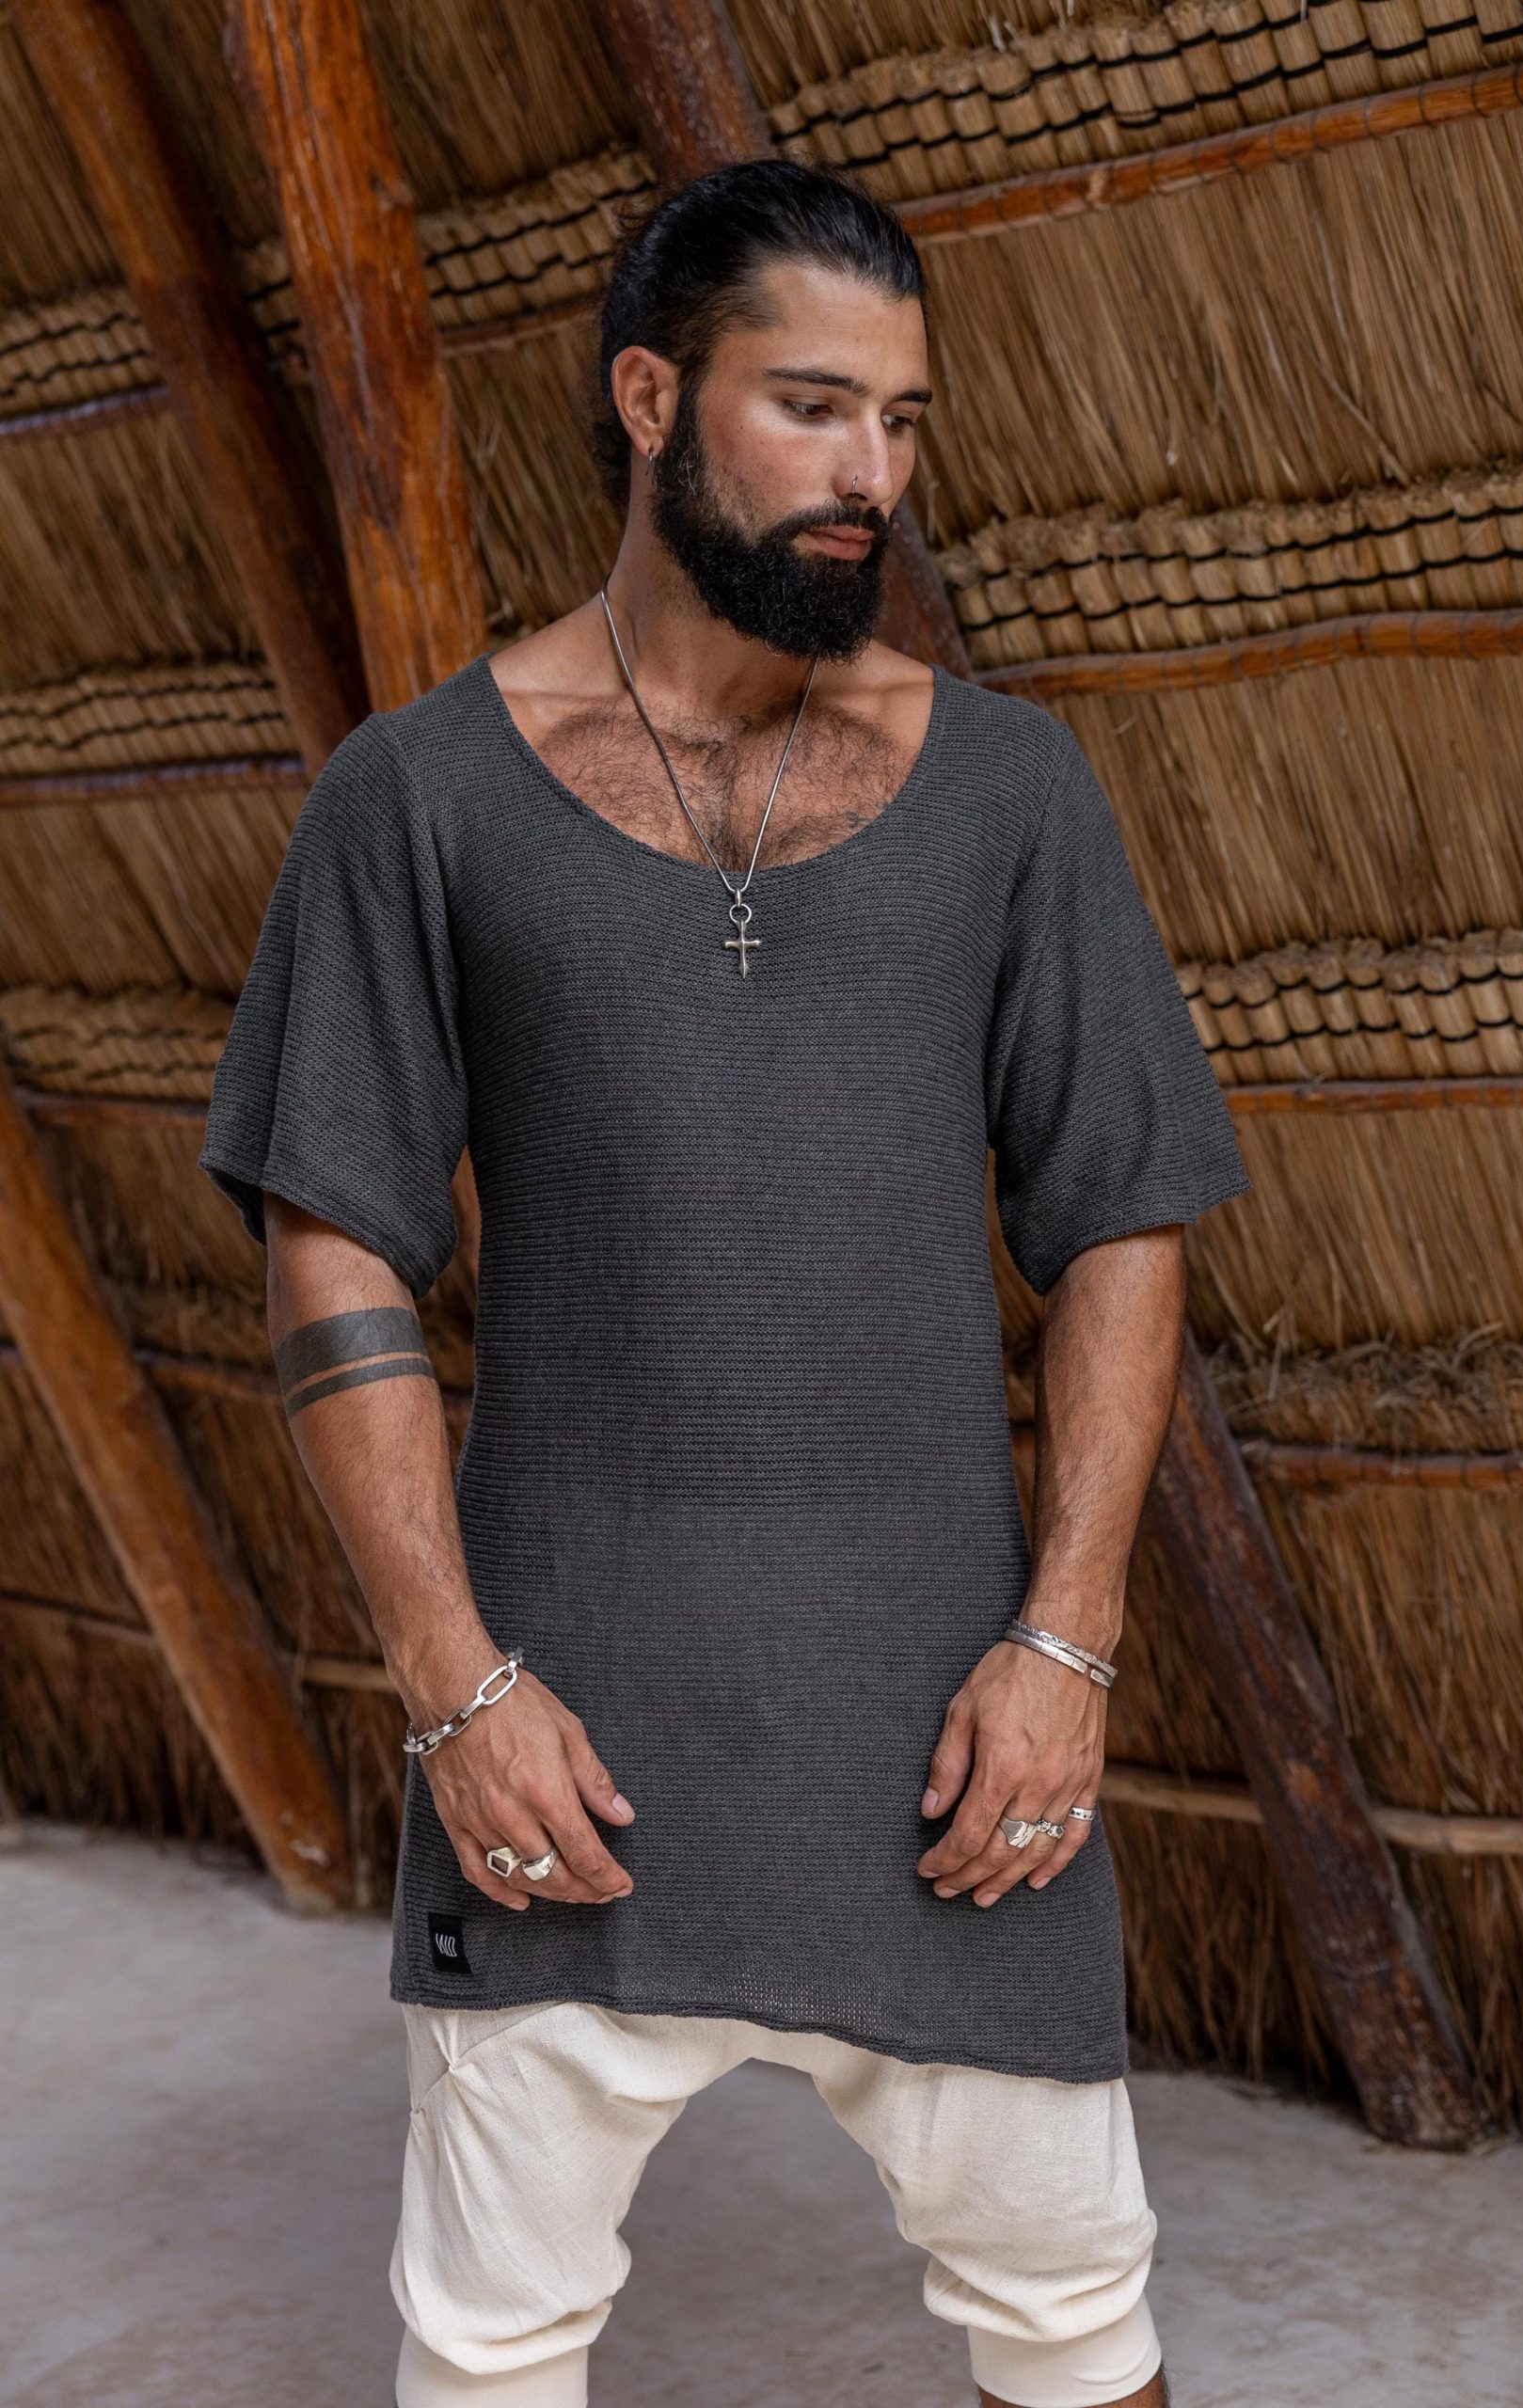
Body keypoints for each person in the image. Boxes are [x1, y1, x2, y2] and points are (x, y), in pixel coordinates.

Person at [200, 156, 1249, 2408]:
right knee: (490, 2347)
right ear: (652, 398)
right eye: (812, 405)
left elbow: (1120, 1219)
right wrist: (452, 1684)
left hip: (954, 1759)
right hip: (556, 1756)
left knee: (1078, 2324)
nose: (872, 470)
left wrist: (1066, 1642)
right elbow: (332, 1233)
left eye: (902, 418)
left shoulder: (1007, 792)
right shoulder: (418, 796)